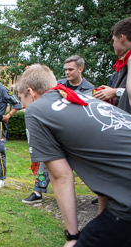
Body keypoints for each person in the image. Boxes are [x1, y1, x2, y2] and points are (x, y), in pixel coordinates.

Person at [17, 64, 131, 247]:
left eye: (23, 101)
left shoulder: (37, 110)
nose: (24, 108)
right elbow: (105, 165)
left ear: (31, 93)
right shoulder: (83, 100)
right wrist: (100, 224)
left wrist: (72, 237)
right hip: (129, 189)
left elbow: (61, 176)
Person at [22, 55, 95, 204]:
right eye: (65, 70)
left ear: (80, 69)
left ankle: (99, 193)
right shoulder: (58, 85)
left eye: (71, 69)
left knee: (89, 164)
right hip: (56, 131)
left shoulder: (89, 89)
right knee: (45, 161)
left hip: (76, 133)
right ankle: (38, 192)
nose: (67, 72)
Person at [93, 17, 131, 119]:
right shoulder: (126, 60)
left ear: (122, 38)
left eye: (114, 40)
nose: (113, 44)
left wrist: (116, 92)